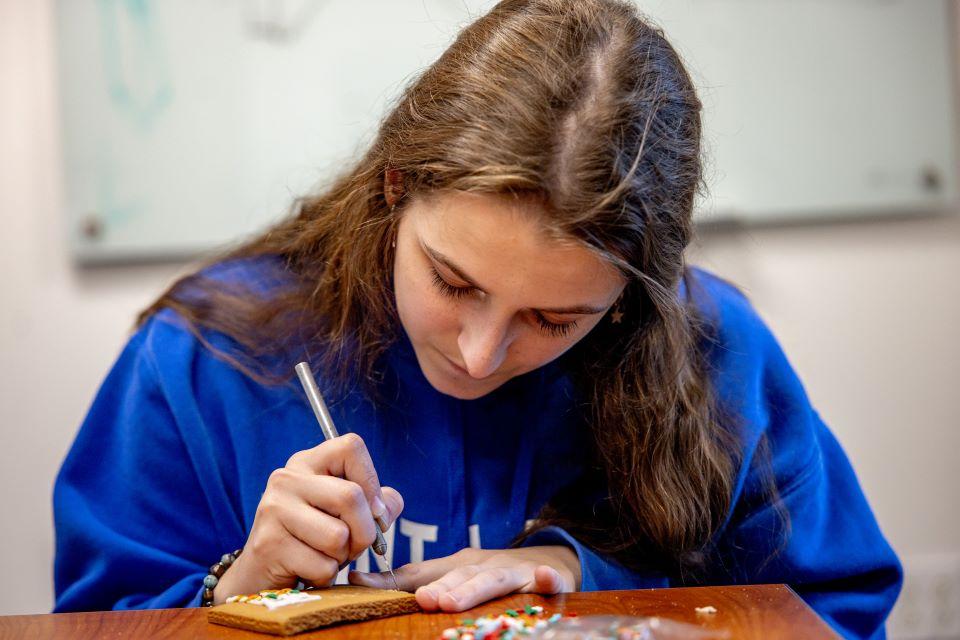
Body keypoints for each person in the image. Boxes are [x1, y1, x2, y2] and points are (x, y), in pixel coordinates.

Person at [52, 0, 901, 637]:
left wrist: (588, 574)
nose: (481, 353)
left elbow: (836, 610)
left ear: (630, 303)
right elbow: (94, 621)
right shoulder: (209, 355)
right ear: (395, 192)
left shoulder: (715, 352)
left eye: (556, 318)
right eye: (452, 284)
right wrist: (233, 594)